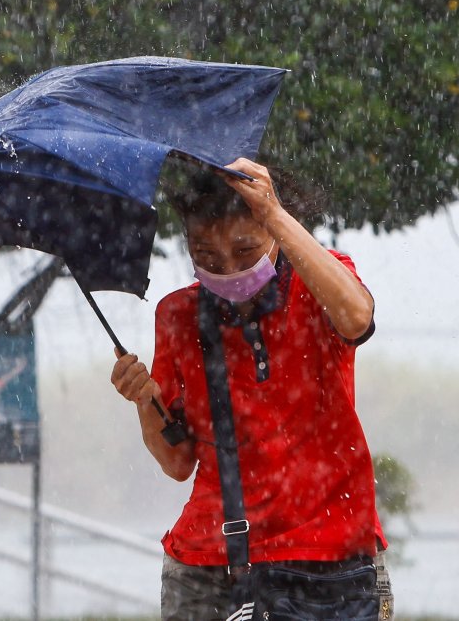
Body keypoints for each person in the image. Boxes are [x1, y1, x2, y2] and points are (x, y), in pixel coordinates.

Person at [110, 157, 393, 619]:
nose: (228, 269)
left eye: (245, 251)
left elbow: (358, 318)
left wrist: (274, 212)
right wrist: (144, 401)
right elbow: (177, 463)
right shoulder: (178, 316)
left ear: (275, 237)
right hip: (211, 566)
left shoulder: (319, 283)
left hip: (335, 559)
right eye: (206, 256)